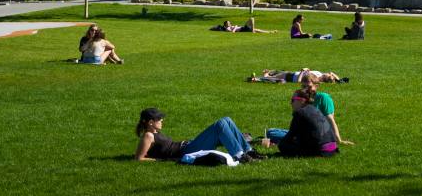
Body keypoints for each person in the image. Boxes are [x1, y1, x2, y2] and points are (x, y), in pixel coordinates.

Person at [134, 107, 264, 163]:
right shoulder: (148, 136)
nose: (162, 120)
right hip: (187, 151)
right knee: (220, 125)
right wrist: (160, 160)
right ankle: (240, 156)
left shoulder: (154, 133)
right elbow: (138, 158)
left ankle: (249, 151)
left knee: (227, 120)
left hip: (189, 145)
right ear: (150, 122)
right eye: (159, 118)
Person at [276, 90, 340, 157]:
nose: (291, 103)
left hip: (319, 151)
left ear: (302, 101)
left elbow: (290, 136)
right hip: (332, 148)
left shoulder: (300, 112)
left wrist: (281, 143)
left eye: (293, 100)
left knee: (282, 144)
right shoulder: (315, 109)